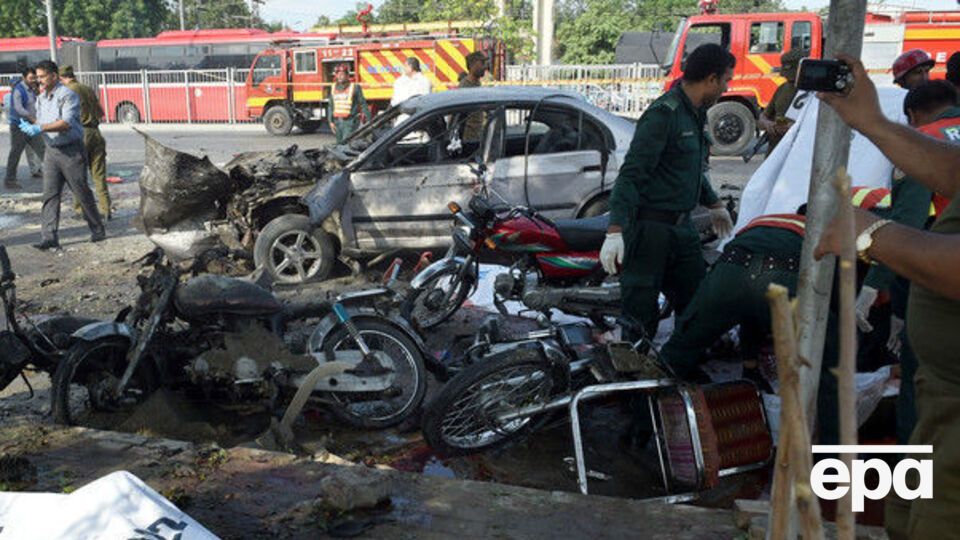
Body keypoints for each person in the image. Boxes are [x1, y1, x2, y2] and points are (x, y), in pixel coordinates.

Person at [815, 53, 960, 540]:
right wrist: (871, 122)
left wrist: (874, 235)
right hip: (940, 405)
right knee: (904, 518)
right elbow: (956, 174)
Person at [600, 43, 736, 342]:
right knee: (640, 313)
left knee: (697, 302)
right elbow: (631, 174)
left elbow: (688, 169)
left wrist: (713, 203)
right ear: (711, 79)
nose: (727, 88)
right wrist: (615, 229)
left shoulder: (695, 113)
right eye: (726, 80)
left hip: (682, 229)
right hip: (650, 230)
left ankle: (683, 370)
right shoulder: (664, 114)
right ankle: (633, 381)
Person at [853, 81, 959, 446]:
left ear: (913, 115)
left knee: (921, 385)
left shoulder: (922, 143)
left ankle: (913, 479)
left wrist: (873, 281)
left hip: (936, 282)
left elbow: (908, 219)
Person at [18, 60, 105, 250]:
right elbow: (43, 121)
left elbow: (65, 123)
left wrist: (39, 127)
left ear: (54, 76)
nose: (38, 80)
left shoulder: (68, 95)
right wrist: (30, 123)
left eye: (42, 76)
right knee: (50, 194)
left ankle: (97, 228)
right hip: (51, 151)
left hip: (71, 151)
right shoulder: (41, 98)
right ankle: (49, 236)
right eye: (37, 77)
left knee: (81, 191)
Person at [60, 65, 111, 220]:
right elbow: (101, 112)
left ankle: (81, 210)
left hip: (80, 133)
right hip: (96, 133)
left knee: (77, 175)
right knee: (99, 175)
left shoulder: (67, 91)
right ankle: (106, 209)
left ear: (61, 77)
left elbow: (64, 118)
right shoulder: (87, 89)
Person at [757, 48, 808, 154]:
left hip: (798, 151)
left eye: (792, 76)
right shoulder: (782, 88)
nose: (788, 79)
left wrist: (793, 128)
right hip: (776, 148)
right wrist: (768, 124)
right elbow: (763, 116)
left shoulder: (814, 93)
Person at [4, 67, 45, 190]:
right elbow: (18, 108)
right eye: (31, 78)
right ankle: (10, 180)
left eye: (35, 78)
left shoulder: (32, 89)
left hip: (31, 125)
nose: (34, 80)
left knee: (43, 150)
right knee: (15, 153)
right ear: (24, 78)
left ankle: (55, 175)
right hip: (20, 126)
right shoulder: (18, 90)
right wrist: (32, 118)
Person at [327, 64, 370, 145]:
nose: (340, 76)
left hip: (350, 122)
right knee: (339, 145)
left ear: (347, 75)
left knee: (347, 144)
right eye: (338, 74)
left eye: (342, 74)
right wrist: (330, 121)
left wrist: (369, 121)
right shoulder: (333, 87)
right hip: (337, 123)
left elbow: (363, 104)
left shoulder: (355, 87)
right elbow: (330, 105)